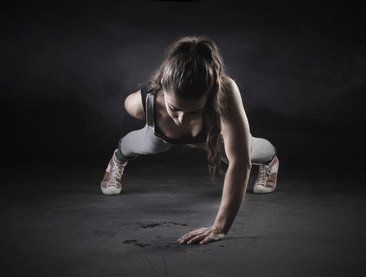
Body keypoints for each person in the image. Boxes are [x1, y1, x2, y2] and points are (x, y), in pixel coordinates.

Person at [100, 35, 279, 245]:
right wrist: (153, 113)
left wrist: (220, 228)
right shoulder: (146, 100)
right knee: (149, 144)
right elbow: (129, 105)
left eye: (194, 111)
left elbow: (241, 163)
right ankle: (118, 158)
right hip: (162, 135)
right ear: (163, 88)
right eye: (175, 109)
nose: (181, 119)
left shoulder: (225, 91)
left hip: (214, 137)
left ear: (210, 96)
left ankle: (271, 160)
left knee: (243, 151)